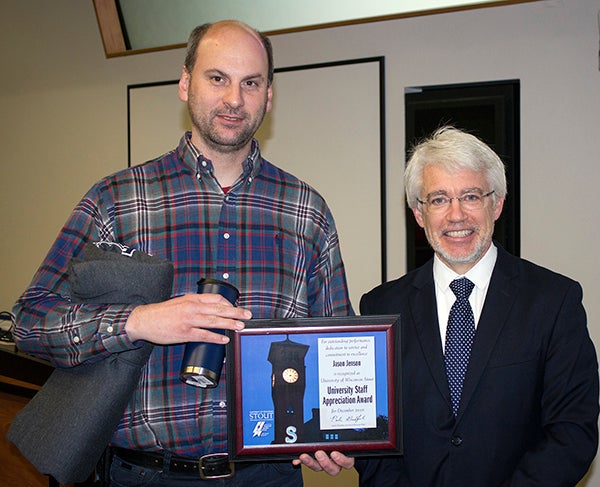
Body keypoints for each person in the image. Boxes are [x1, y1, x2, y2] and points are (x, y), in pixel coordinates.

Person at [13, 20, 352, 486]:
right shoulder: (117, 200)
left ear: (268, 96)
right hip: (144, 474)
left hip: (267, 475)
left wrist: (336, 432)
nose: (235, 99)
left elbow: (337, 345)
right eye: (218, 78)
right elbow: (31, 322)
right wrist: (139, 321)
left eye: (250, 83)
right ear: (185, 83)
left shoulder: (306, 210)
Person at [297, 126, 599, 486]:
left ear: (497, 203)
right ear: (419, 214)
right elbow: (375, 435)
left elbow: (572, 433)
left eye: (470, 196)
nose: (456, 215)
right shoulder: (382, 305)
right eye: (438, 199)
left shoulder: (553, 300)